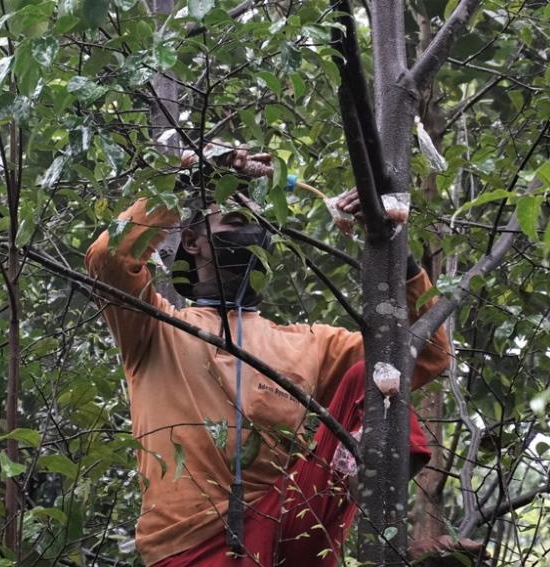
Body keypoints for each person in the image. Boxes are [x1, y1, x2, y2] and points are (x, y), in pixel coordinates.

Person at [84, 146, 452, 566]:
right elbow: (108, 257)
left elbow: (428, 353)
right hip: (188, 548)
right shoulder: (156, 329)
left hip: (284, 528)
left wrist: (395, 250)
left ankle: (372, 498)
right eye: (234, 218)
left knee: (376, 373)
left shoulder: (310, 344)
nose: (250, 229)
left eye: (258, 223)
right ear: (191, 241)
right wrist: (191, 176)